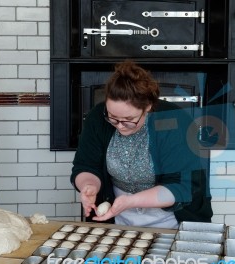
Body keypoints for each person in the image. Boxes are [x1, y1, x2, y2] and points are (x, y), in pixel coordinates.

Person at [71, 60, 212, 229]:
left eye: (129, 119)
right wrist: (89, 185)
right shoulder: (97, 118)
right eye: (112, 117)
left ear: (148, 107)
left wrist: (130, 201)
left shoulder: (175, 122)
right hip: (118, 216)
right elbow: (85, 166)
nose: (120, 125)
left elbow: (180, 186)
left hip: (173, 219)